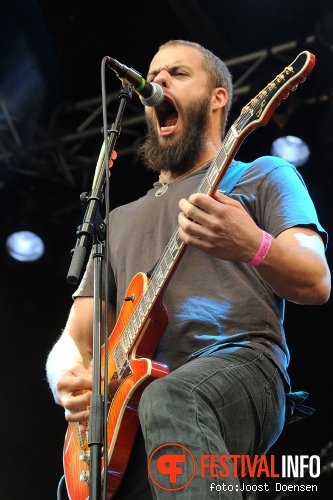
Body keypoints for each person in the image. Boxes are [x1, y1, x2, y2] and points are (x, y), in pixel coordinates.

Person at [46, 40, 331, 499]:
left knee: (173, 397)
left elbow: (316, 281)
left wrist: (253, 245)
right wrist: (66, 378)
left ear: (219, 98)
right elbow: (76, 340)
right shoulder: (118, 220)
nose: (156, 83)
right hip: (132, 406)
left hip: (242, 367)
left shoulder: (262, 175)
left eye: (176, 74)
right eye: (153, 76)